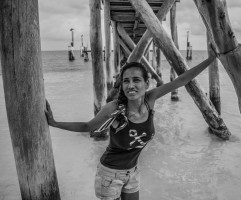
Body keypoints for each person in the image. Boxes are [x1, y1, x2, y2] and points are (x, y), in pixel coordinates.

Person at [45, 51, 217, 200]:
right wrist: (54, 123)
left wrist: (211, 59)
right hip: (109, 174)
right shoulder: (114, 108)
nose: (131, 85)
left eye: (136, 80)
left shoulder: (151, 100)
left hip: (133, 172)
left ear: (146, 83)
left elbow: (181, 80)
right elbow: (87, 126)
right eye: (126, 81)